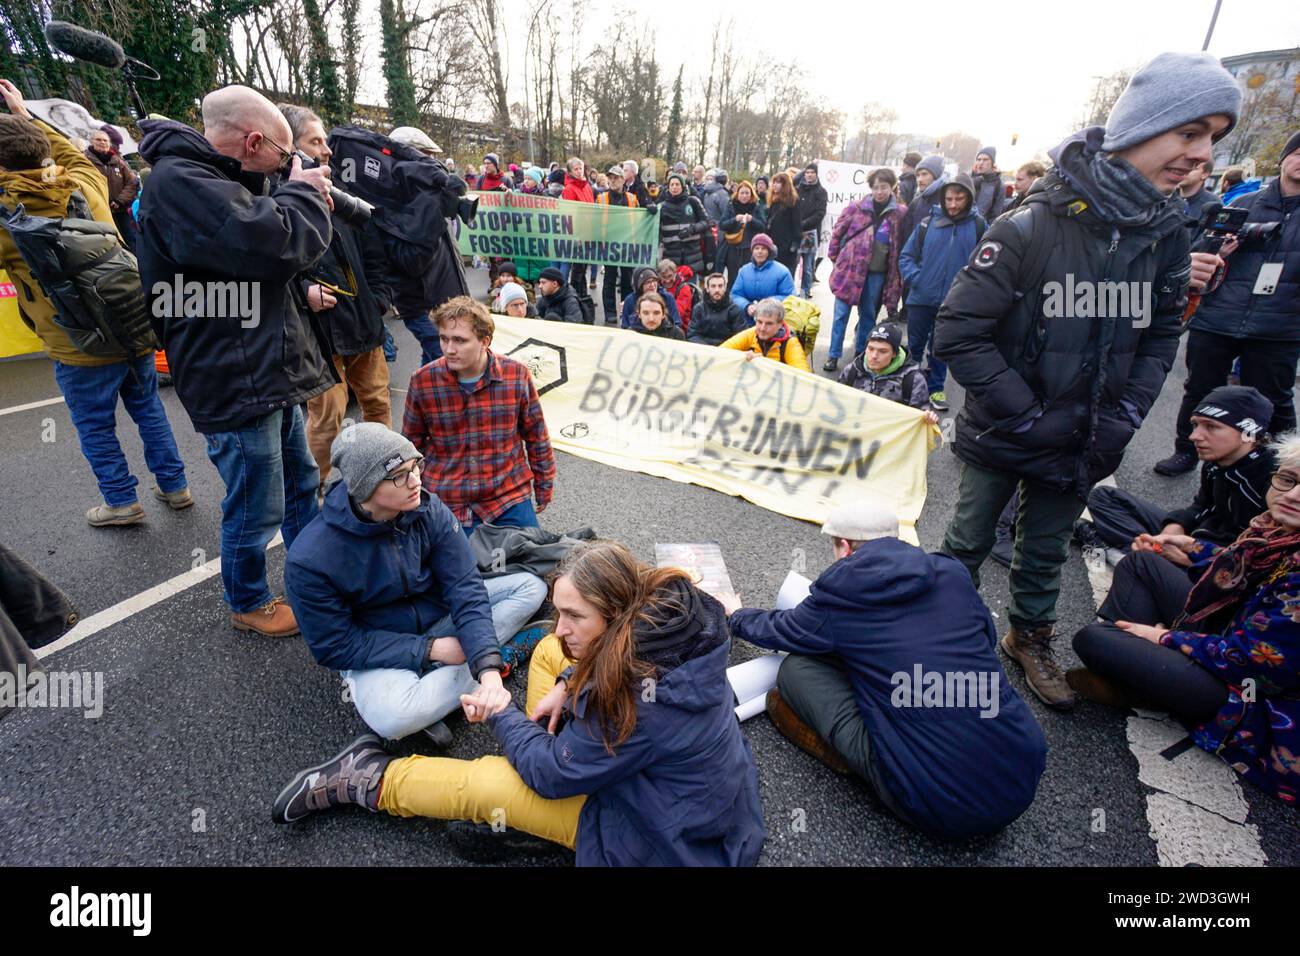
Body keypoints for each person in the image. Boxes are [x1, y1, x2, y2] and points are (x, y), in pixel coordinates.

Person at [933, 52, 1241, 709]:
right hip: (1005, 431)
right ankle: (940, 642)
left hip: (1088, 439)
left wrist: (1127, 410)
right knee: (965, 545)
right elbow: (959, 331)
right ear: (1141, 127)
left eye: (1214, 138)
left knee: (1044, 553)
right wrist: (1022, 412)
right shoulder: (1031, 224)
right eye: (1191, 133)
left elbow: (1162, 334)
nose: (1204, 155)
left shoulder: (1166, 236)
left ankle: (1029, 637)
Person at [273, 540, 766, 866]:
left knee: (489, 782)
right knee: (553, 653)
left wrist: (502, 711)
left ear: (616, 613)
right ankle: (546, 778)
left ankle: (365, 778)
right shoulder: (665, 625)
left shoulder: (629, 700)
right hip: (690, 799)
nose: (562, 625)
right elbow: (591, 668)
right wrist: (570, 683)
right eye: (559, 610)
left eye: (575, 616)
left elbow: (551, 775)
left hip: (663, 841)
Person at [136, 85, 337, 638]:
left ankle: (316, 576)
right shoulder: (179, 184)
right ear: (253, 141)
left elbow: (241, 276)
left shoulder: (214, 180)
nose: (288, 163)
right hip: (235, 378)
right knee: (255, 504)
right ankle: (248, 601)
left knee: (300, 485)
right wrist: (301, 194)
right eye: (283, 151)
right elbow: (271, 244)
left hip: (265, 370)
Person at [723, 501, 1047, 838]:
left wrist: (736, 612)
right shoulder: (951, 573)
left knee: (796, 670)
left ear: (844, 547)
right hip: (1020, 772)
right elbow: (985, 637)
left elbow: (780, 631)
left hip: (941, 802)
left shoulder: (843, 591)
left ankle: (853, 757)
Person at [1069, 434, 1300, 804]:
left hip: (1256, 696)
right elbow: (1241, 574)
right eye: (1288, 480)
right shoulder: (1272, 532)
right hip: (1227, 635)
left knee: (1093, 639)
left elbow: (1255, 665)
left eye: (1209, 425)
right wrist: (1194, 549)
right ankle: (1141, 676)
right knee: (1141, 562)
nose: (1292, 495)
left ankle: (1144, 677)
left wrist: (1165, 639)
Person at [0, 79, 190, 528]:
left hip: (77, 344)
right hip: (133, 326)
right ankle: (176, 486)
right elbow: (69, 151)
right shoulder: (87, 184)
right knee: (148, 408)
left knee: (95, 426)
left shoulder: (8, 219)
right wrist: (25, 115)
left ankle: (121, 501)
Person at [284, 422, 547, 746]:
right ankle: (484, 660)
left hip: (441, 619)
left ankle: (477, 670)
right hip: (380, 644)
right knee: (392, 718)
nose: (416, 481)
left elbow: (465, 587)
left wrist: (490, 675)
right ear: (365, 488)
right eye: (400, 475)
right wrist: (430, 649)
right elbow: (335, 645)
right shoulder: (309, 560)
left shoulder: (427, 508)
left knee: (530, 588)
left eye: (416, 467)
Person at [1154, 130, 1300, 476]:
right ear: (1284, 158)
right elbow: (1196, 255)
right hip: (1218, 316)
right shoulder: (1242, 205)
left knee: (1274, 400)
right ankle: (1186, 451)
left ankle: (1281, 470)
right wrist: (1218, 250)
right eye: (1297, 153)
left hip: (1279, 325)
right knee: (1200, 390)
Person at [281, 104, 394, 488]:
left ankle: (383, 475)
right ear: (290, 147)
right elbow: (262, 269)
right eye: (316, 142)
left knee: (378, 404)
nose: (327, 150)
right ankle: (324, 491)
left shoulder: (344, 199)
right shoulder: (273, 200)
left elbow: (375, 255)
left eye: (326, 141)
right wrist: (302, 293)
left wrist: (378, 299)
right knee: (326, 418)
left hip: (364, 324)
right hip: (318, 334)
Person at [402, 297, 555, 532]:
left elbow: (536, 435)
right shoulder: (423, 381)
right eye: (444, 339)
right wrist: (407, 495)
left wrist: (544, 485)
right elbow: (411, 446)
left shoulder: (516, 376)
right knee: (447, 567)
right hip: (447, 497)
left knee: (532, 562)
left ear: (485, 341)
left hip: (507, 496)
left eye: (460, 341)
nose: (449, 349)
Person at [1079, 386, 1275, 553]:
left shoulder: (1275, 479)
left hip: (1224, 559)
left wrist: (1193, 553)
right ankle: (1141, 552)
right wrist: (1176, 526)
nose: (1194, 436)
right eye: (1195, 425)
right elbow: (1202, 506)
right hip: (1199, 536)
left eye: (1211, 427)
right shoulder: (1216, 460)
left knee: (1146, 563)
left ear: (1249, 432)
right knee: (1104, 497)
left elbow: (1264, 552)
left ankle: (1134, 554)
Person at [381, 125, 470, 367]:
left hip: (444, 301)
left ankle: (419, 404)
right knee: (448, 371)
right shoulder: (393, 200)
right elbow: (409, 261)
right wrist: (434, 212)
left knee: (432, 372)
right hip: (425, 308)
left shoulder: (425, 195)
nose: (433, 164)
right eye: (426, 157)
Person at [898, 172, 985, 411]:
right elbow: (906, 256)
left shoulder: (979, 226)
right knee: (914, 346)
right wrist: (918, 279)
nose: (953, 204)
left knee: (940, 349)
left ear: (969, 198)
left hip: (954, 302)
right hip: (921, 298)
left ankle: (935, 390)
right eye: (949, 199)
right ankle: (909, 386)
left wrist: (969, 290)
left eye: (959, 199)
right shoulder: (928, 223)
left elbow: (986, 265)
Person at [823, 168, 907, 373]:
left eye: (884, 187)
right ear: (870, 188)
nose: (880, 191)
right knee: (840, 315)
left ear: (892, 187)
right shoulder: (856, 208)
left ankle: (862, 354)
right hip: (850, 272)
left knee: (868, 315)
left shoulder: (899, 213)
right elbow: (837, 234)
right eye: (876, 187)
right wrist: (837, 260)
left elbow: (900, 242)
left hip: (877, 274)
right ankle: (833, 355)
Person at [837, 324, 937, 421]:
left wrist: (928, 418)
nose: (874, 356)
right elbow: (836, 401)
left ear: (894, 353)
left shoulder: (912, 379)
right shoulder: (852, 370)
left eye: (883, 351)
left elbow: (921, 415)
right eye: (871, 349)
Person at [83, 126, 140, 250]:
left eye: (105, 140)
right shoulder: (85, 161)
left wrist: (119, 200)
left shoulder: (118, 161)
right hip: (99, 210)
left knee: (131, 239)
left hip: (121, 210)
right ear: (92, 142)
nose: (102, 142)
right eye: (99, 140)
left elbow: (132, 182)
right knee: (110, 243)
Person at [597, 165, 640, 323]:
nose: (612, 181)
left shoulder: (632, 198)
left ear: (623, 180)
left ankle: (626, 310)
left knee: (627, 280)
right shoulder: (602, 198)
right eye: (611, 178)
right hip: (609, 245)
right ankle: (610, 312)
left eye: (616, 178)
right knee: (609, 279)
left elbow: (640, 219)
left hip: (627, 245)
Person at [720, 298, 809, 371]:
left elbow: (804, 375)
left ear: (780, 324)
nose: (762, 328)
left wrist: (763, 363)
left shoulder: (790, 343)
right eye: (759, 322)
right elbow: (720, 352)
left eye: (769, 323)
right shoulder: (751, 333)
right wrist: (742, 356)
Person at [716, 179, 766, 292]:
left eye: (747, 193)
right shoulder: (731, 206)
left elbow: (763, 226)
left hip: (749, 247)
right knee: (733, 277)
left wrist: (752, 220)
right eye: (742, 193)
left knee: (749, 277)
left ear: (751, 194)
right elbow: (722, 225)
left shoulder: (756, 207)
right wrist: (735, 219)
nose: (744, 196)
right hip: (733, 247)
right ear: (737, 194)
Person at [730, 233, 795, 319]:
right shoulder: (744, 271)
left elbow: (790, 296)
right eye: (756, 248)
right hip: (747, 320)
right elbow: (735, 295)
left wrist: (766, 304)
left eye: (763, 248)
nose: (760, 251)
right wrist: (747, 306)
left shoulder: (782, 272)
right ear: (752, 251)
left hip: (772, 320)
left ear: (769, 251)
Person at [657, 172, 709, 277]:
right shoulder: (662, 207)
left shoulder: (693, 201)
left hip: (692, 257)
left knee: (691, 290)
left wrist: (692, 230)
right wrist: (651, 210)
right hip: (671, 257)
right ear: (668, 187)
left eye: (677, 184)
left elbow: (707, 222)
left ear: (683, 186)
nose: (674, 187)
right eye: (672, 185)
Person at [795, 162, 828, 297]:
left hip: (810, 233)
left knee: (808, 266)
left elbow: (820, 213)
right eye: (807, 172)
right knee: (793, 263)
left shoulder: (821, 192)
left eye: (812, 172)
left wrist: (803, 224)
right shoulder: (797, 189)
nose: (809, 175)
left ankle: (805, 291)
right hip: (796, 232)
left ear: (816, 174)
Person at [689, 273, 747, 345]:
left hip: (727, 350)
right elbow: (692, 335)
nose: (717, 290)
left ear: (725, 288)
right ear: (707, 289)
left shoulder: (735, 310)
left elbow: (741, 337)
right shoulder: (698, 309)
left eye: (720, 286)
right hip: (704, 350)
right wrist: (707, 348)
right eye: (713, 286)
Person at [765, 172, 803, 274]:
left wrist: (795, 244)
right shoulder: (773, 201)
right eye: (774, 182)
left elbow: (797, 224)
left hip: (786, 245)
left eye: (778, 183)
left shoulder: (792, 201)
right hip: (773, 243)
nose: (775, 185)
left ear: (785, 185)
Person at [656, 258, 699, 333]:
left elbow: (678, 314)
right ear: (659, 276)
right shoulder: (656, 287)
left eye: (670, 276)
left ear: (676, 273)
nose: (667, 280)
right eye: (664, 277)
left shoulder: (684, 289)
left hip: (680, 329)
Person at [971, 146, 1004, 221]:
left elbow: (996, 214)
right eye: (978, 159)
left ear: (992, 163)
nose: (981, 163)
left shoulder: (998, 185)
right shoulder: (971, 180)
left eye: (985, 159)